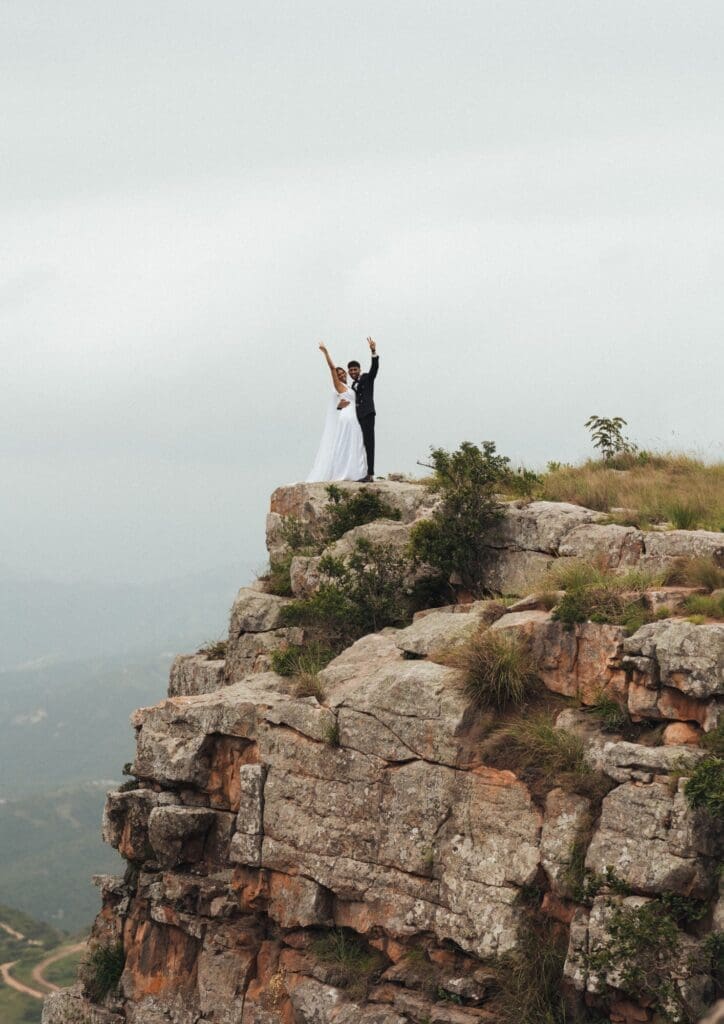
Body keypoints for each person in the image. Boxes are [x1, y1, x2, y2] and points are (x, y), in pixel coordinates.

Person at [305, 343, 367, 482]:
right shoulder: (339, 386)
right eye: (339, 375)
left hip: (353, 417)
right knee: (346, 444)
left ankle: (356, 472)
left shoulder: (349, 386)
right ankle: (343, 472)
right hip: (348, 418)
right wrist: (326, 353)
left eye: (342, 373)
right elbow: (332, 368)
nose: (341, 375)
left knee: (355, 443)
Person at [347, 337, 379, 482]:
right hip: (357, 417)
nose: (353, 371)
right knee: (360, 444)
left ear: (359, 370)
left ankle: (370, 474)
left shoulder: (366, 378)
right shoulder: (352, 386)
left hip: (367, 413)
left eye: (355, 369)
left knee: (369, 442)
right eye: (351, 370)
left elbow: (374, 369)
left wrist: (373, 352)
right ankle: (360, 472)